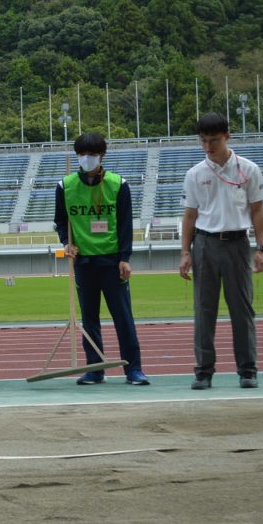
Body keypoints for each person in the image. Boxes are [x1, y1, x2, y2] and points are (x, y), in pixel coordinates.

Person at [179, 113, 263, 390]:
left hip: (238, 243)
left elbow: (258, 211)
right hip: (204, 244)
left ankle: (247, 370)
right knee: (204, 311)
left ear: (227, 136)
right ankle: (203, 372)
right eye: (203, 141)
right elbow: (190, 216)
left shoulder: (248, 170)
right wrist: (185, 252)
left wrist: (261, 247)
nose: (208, 146)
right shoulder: (195, 174)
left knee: (242, 310)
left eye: (214, 140)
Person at [54, 132, 149, 386]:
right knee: (90, 319)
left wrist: (125, 257)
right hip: (83, 262)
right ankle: (95, 369)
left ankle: (134, 369)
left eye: (93, 154)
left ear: (102, 155)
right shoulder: (65, 185)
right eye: (83, 154)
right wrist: (67, 243)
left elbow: (126, 224)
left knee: (123, 317)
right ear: (77, 156)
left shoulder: (119, 184)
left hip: (112, 260)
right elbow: (61, 221)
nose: (87, 158)